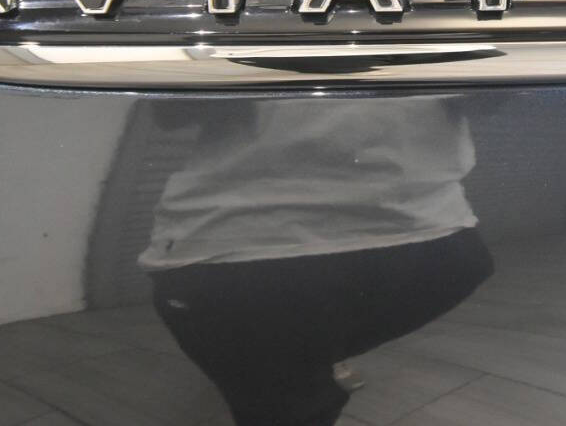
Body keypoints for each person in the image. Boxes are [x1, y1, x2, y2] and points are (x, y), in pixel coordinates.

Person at [139, 95, 493, 426]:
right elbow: (489, 100)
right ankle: (306, 362)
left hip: (247, 251)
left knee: (289, 391)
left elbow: (171, 111)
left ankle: (306, 361)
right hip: (430, 234)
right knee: (291, 393)